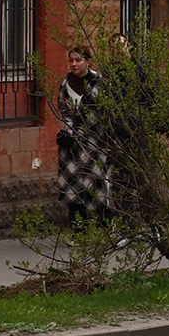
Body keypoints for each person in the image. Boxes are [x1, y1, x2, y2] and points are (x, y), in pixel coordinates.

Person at [52, 46, 112, 225]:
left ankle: (104, 226)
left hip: (95, 141)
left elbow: (106, 111)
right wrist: (68, 131)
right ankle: (78, 228)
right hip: (71, 143)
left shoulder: (99, 83)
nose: (74, 64)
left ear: (88, 62)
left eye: (78, 60)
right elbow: (64, 111)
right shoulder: (65, 84)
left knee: (97, 183)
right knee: (72, 184)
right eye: (71, 60)